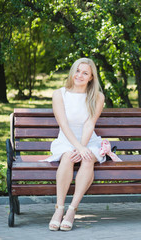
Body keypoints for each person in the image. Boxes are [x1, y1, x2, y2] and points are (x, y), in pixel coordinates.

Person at [47, 58, 105, 231]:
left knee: (87, 159)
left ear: (91, 77)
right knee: (68, 157)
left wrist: (83, 147)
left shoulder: (97, 96)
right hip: (65, 139)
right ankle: (59, 209)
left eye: (85, 73)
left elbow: (89, 124)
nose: (79, 75)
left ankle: (72, 210)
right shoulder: (60, 94)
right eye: (77, 71)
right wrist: (77, 147)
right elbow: (63, 124)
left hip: (89, 140)